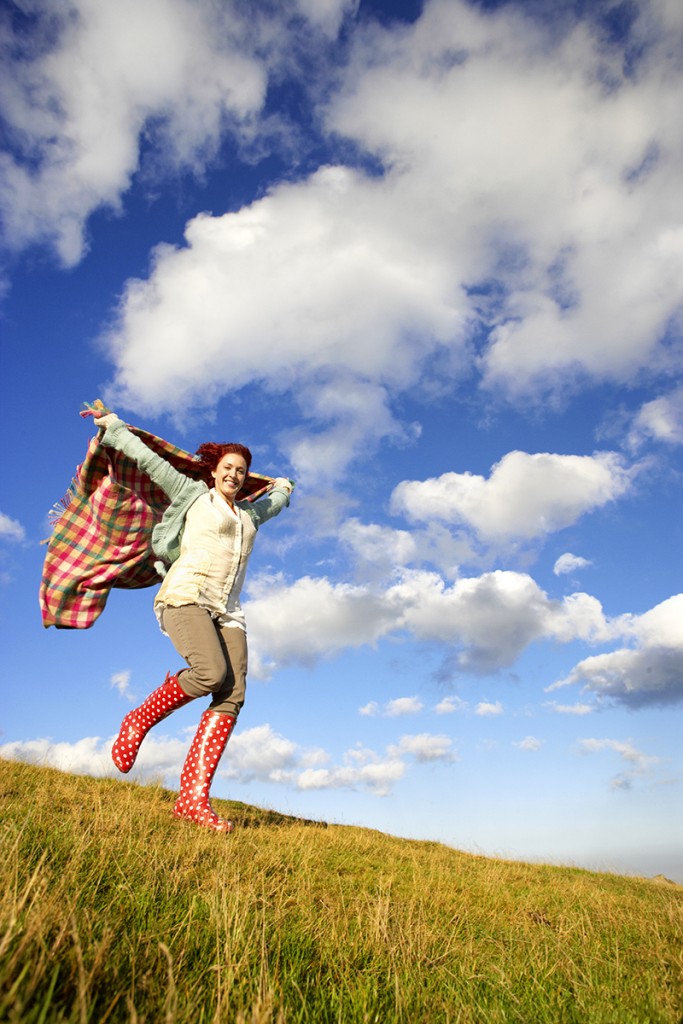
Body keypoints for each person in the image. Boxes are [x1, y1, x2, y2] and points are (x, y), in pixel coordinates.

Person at [82, 405, 294, 833]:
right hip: (187, 595)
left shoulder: (249, 516)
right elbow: (148, 460)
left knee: (233, 694)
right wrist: (113, 427)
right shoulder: (192, 494)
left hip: (229, 610)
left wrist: (284, 486)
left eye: (242, 470)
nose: (234, 474)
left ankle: (192, 800)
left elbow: (276, 502)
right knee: (211, 673)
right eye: (228, 467)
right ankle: (138, 719)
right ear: (214, 471)